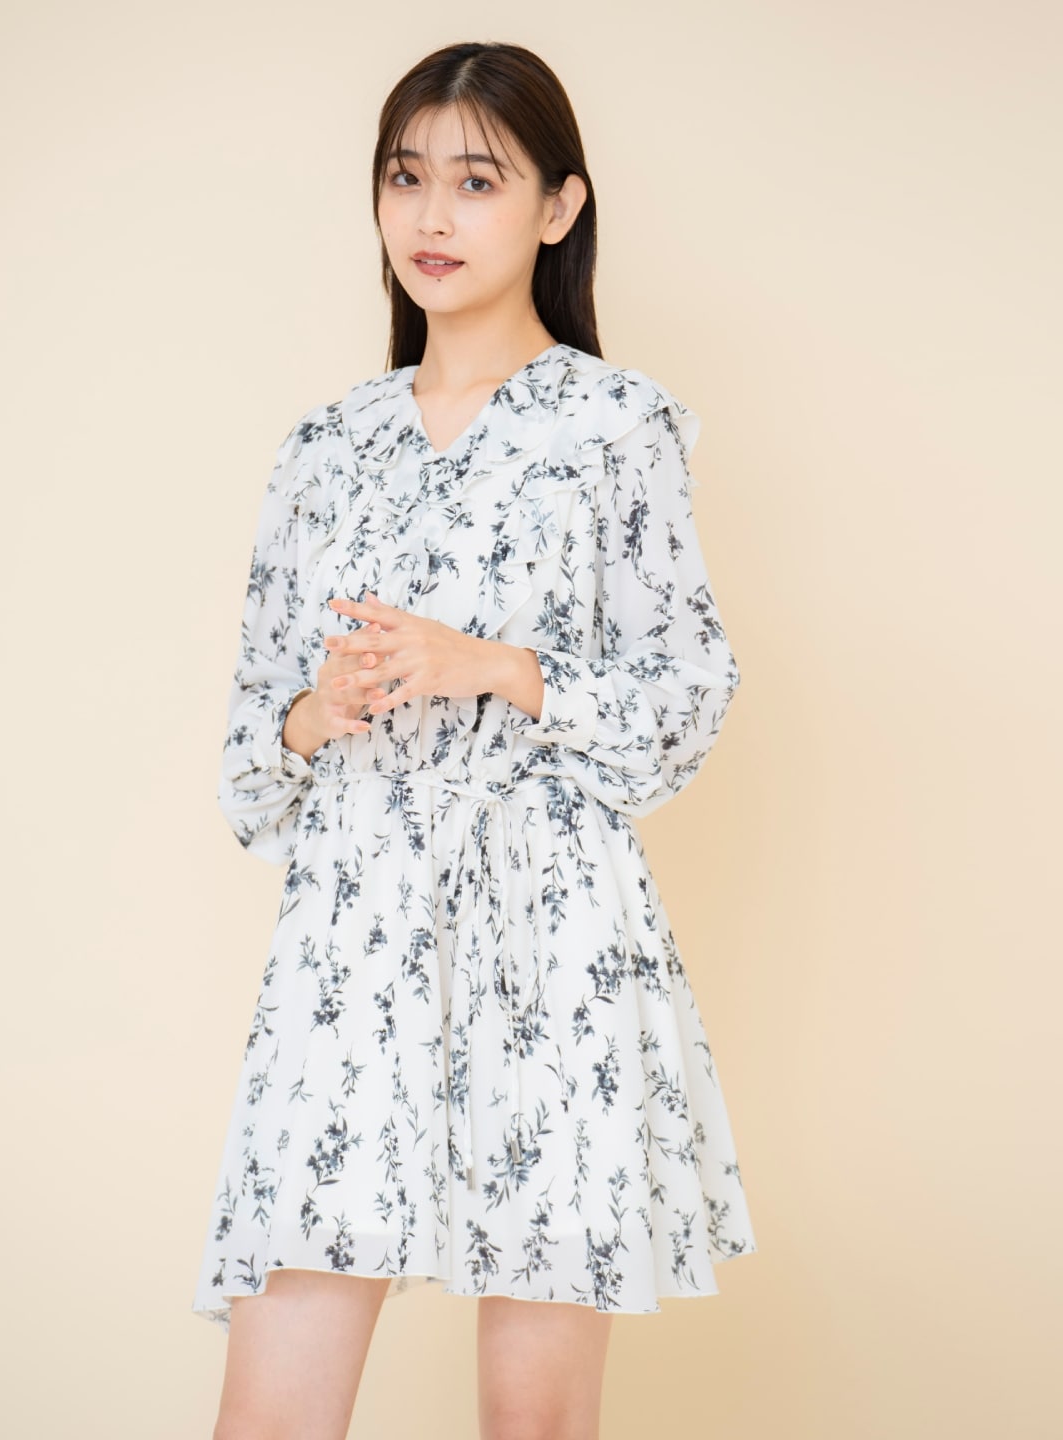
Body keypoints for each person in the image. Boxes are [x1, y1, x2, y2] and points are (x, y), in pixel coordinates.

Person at [194, 39, 757, 1440]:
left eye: (478, 180)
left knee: (535, 1422)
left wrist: (498, 668)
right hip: (354, 927)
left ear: (559, 206)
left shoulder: (617, 428)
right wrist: (321, 711)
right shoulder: (326, 448)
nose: (432, 216)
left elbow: (686, 696)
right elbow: (251, 754)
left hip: (552, 930)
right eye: (405, 178)